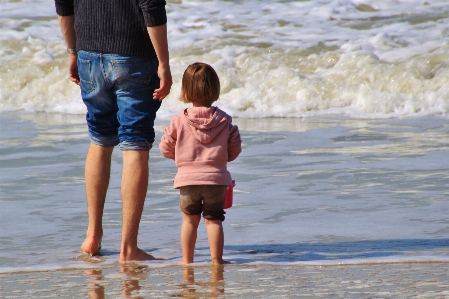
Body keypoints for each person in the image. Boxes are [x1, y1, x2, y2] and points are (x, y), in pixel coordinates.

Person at [54, 0, 172, 262]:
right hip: (133, 53)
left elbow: (63, 3)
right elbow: (151, 4)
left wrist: (73, 51)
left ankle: (92, 236)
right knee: (135, 143)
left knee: (99, 139)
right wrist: (163, 61)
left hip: (88, 51)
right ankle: (129, 248)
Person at [159, 62, 241, 265]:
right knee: (214, 220)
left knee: (189, 220)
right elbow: (234, 151)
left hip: (187, 181)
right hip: (216, 180)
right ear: (215, 89)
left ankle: (187, 260)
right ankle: (217, 260)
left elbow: (165, 148)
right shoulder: (224, 120)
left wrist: (182, 159)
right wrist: (221, 159)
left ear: (185, 90)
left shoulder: (179, 120)